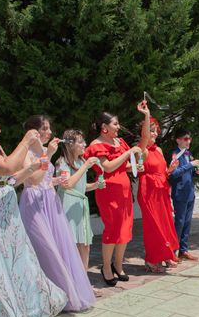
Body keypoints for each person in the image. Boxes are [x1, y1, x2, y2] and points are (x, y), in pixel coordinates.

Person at [0, 103, 67, 317]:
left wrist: (32, 167)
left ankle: (22, 312)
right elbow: (6, 167)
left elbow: (10, 178)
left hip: (5, 214)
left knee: (18, 264)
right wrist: (26, 141)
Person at [14, 115, 97, 311]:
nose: (50, 132)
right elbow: (33, 180)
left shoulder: (43, 150)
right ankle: (46, 297)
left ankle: (64, 294)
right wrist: (48, 155)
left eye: (49, 128)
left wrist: (54, 182)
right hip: (34, 203)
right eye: (45, 128)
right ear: (34, 131)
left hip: (50, 201)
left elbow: (44, 180)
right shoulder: (25, 152)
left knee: (60, 248)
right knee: (45, 249)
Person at [84, 112, 142, 286]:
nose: (118, 127)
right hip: (108, 192)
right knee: (113, 228)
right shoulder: (97, 144)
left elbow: (122, 166)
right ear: (104, 127)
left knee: (125, 227)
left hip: (124, 190)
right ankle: (106, 267)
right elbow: (107, 167)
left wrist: (134, 166)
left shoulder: (119, 142)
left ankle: (118, 264)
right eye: (115, 124)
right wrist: (128, 153)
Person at [56, 129, 104, 283]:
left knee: (85, 246)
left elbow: (81, 187)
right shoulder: (62, 162)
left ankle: (84, 284)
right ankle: (71, 284)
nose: (85, 144)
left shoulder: (81, 162)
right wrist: (87, 166)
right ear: (70, 145)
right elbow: (67, 184)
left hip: (80, 206)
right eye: (80, 142)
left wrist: (96, 185)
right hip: (68, 207)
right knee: (70, 247)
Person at [136, 101, 179, 272]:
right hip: (149, 191)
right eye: (151, 130)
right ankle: (152, 259)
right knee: (153, 226)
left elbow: (162, 173)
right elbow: (145, 138)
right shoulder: (142, 150)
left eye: (156, 130)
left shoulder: (159, 150)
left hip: (161, 191)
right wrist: (146, 115)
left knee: (165, 223)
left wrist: (169, 170)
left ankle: (166, 255)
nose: (154, 133)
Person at [169, 127, 199, 261]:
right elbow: (173, 174)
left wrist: (196, 171)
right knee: (179, 222)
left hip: (189, 193)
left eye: (190, 138)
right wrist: (190, 165)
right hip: (180, 194)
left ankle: (184, 250)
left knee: (187, 222)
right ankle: (174, 251)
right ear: (178, 140)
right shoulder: (176, 155)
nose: (189, 141)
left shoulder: (188, 154)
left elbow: (188, 173)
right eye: (185, 139)